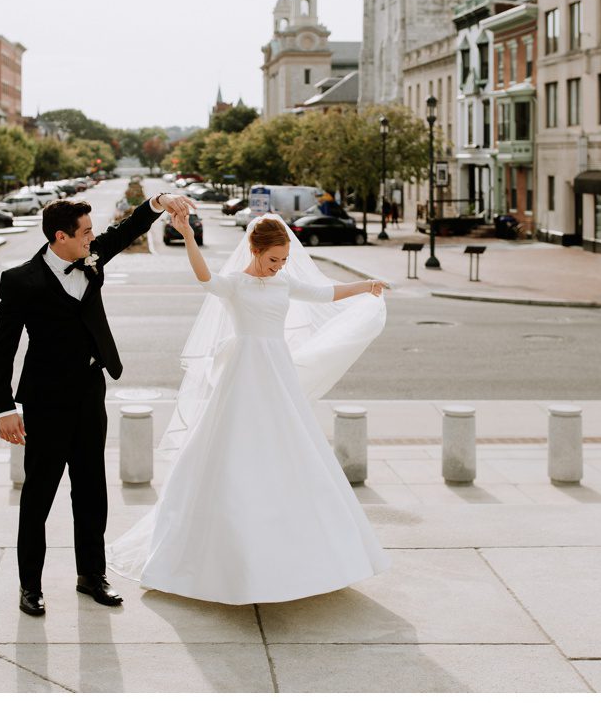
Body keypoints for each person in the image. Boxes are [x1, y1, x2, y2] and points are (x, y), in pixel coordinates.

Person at [104, 213, 392, 604]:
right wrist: (188, 235)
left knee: (291, 446)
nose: (279, 267)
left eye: (284, 260)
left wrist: (366, 286)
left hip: (278, 372)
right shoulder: (236, 284)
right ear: (255, 251)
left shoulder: (284, 282)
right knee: (230, 446)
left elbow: (325, 294)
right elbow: (205, 279)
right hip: (243, 372)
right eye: (273, 259)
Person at [0, 190, 196, 617]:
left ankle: (91, 575)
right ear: (60, 237)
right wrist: (4, 407)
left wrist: (158, 202)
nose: (92, 237)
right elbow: (1, 350)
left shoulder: (92, 256)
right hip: (45, 401)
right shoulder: (20, 280)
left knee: (91, 489)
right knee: (38, 496)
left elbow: (127, 230)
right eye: (84, 232)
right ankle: (31, 586)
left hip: (90, 391)